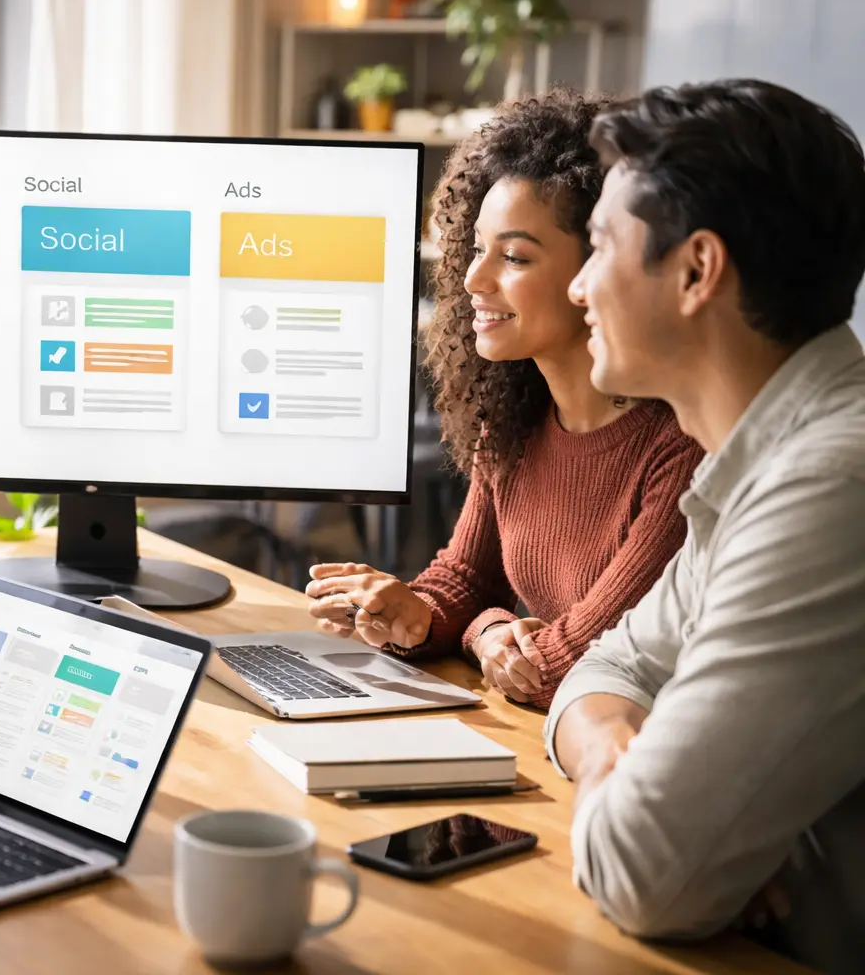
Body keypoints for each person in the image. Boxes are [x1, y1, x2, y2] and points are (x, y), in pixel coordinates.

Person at [547, 78, 865, 970]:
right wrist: (614, 744)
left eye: (600, 246)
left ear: (695, 271)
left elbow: (646, 874)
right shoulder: (760, 458)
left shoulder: (828, 487)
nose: (577, 286)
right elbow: (607, 667)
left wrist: (643, 809)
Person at [304, 91, 702, 707]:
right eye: (478, 247)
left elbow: (579, 662)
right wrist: (413, 613)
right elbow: (465, 580)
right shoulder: (514, 422)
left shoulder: (679, 447)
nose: (473, 279)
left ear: (603, 268)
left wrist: (489, 633)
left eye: (514, 256)